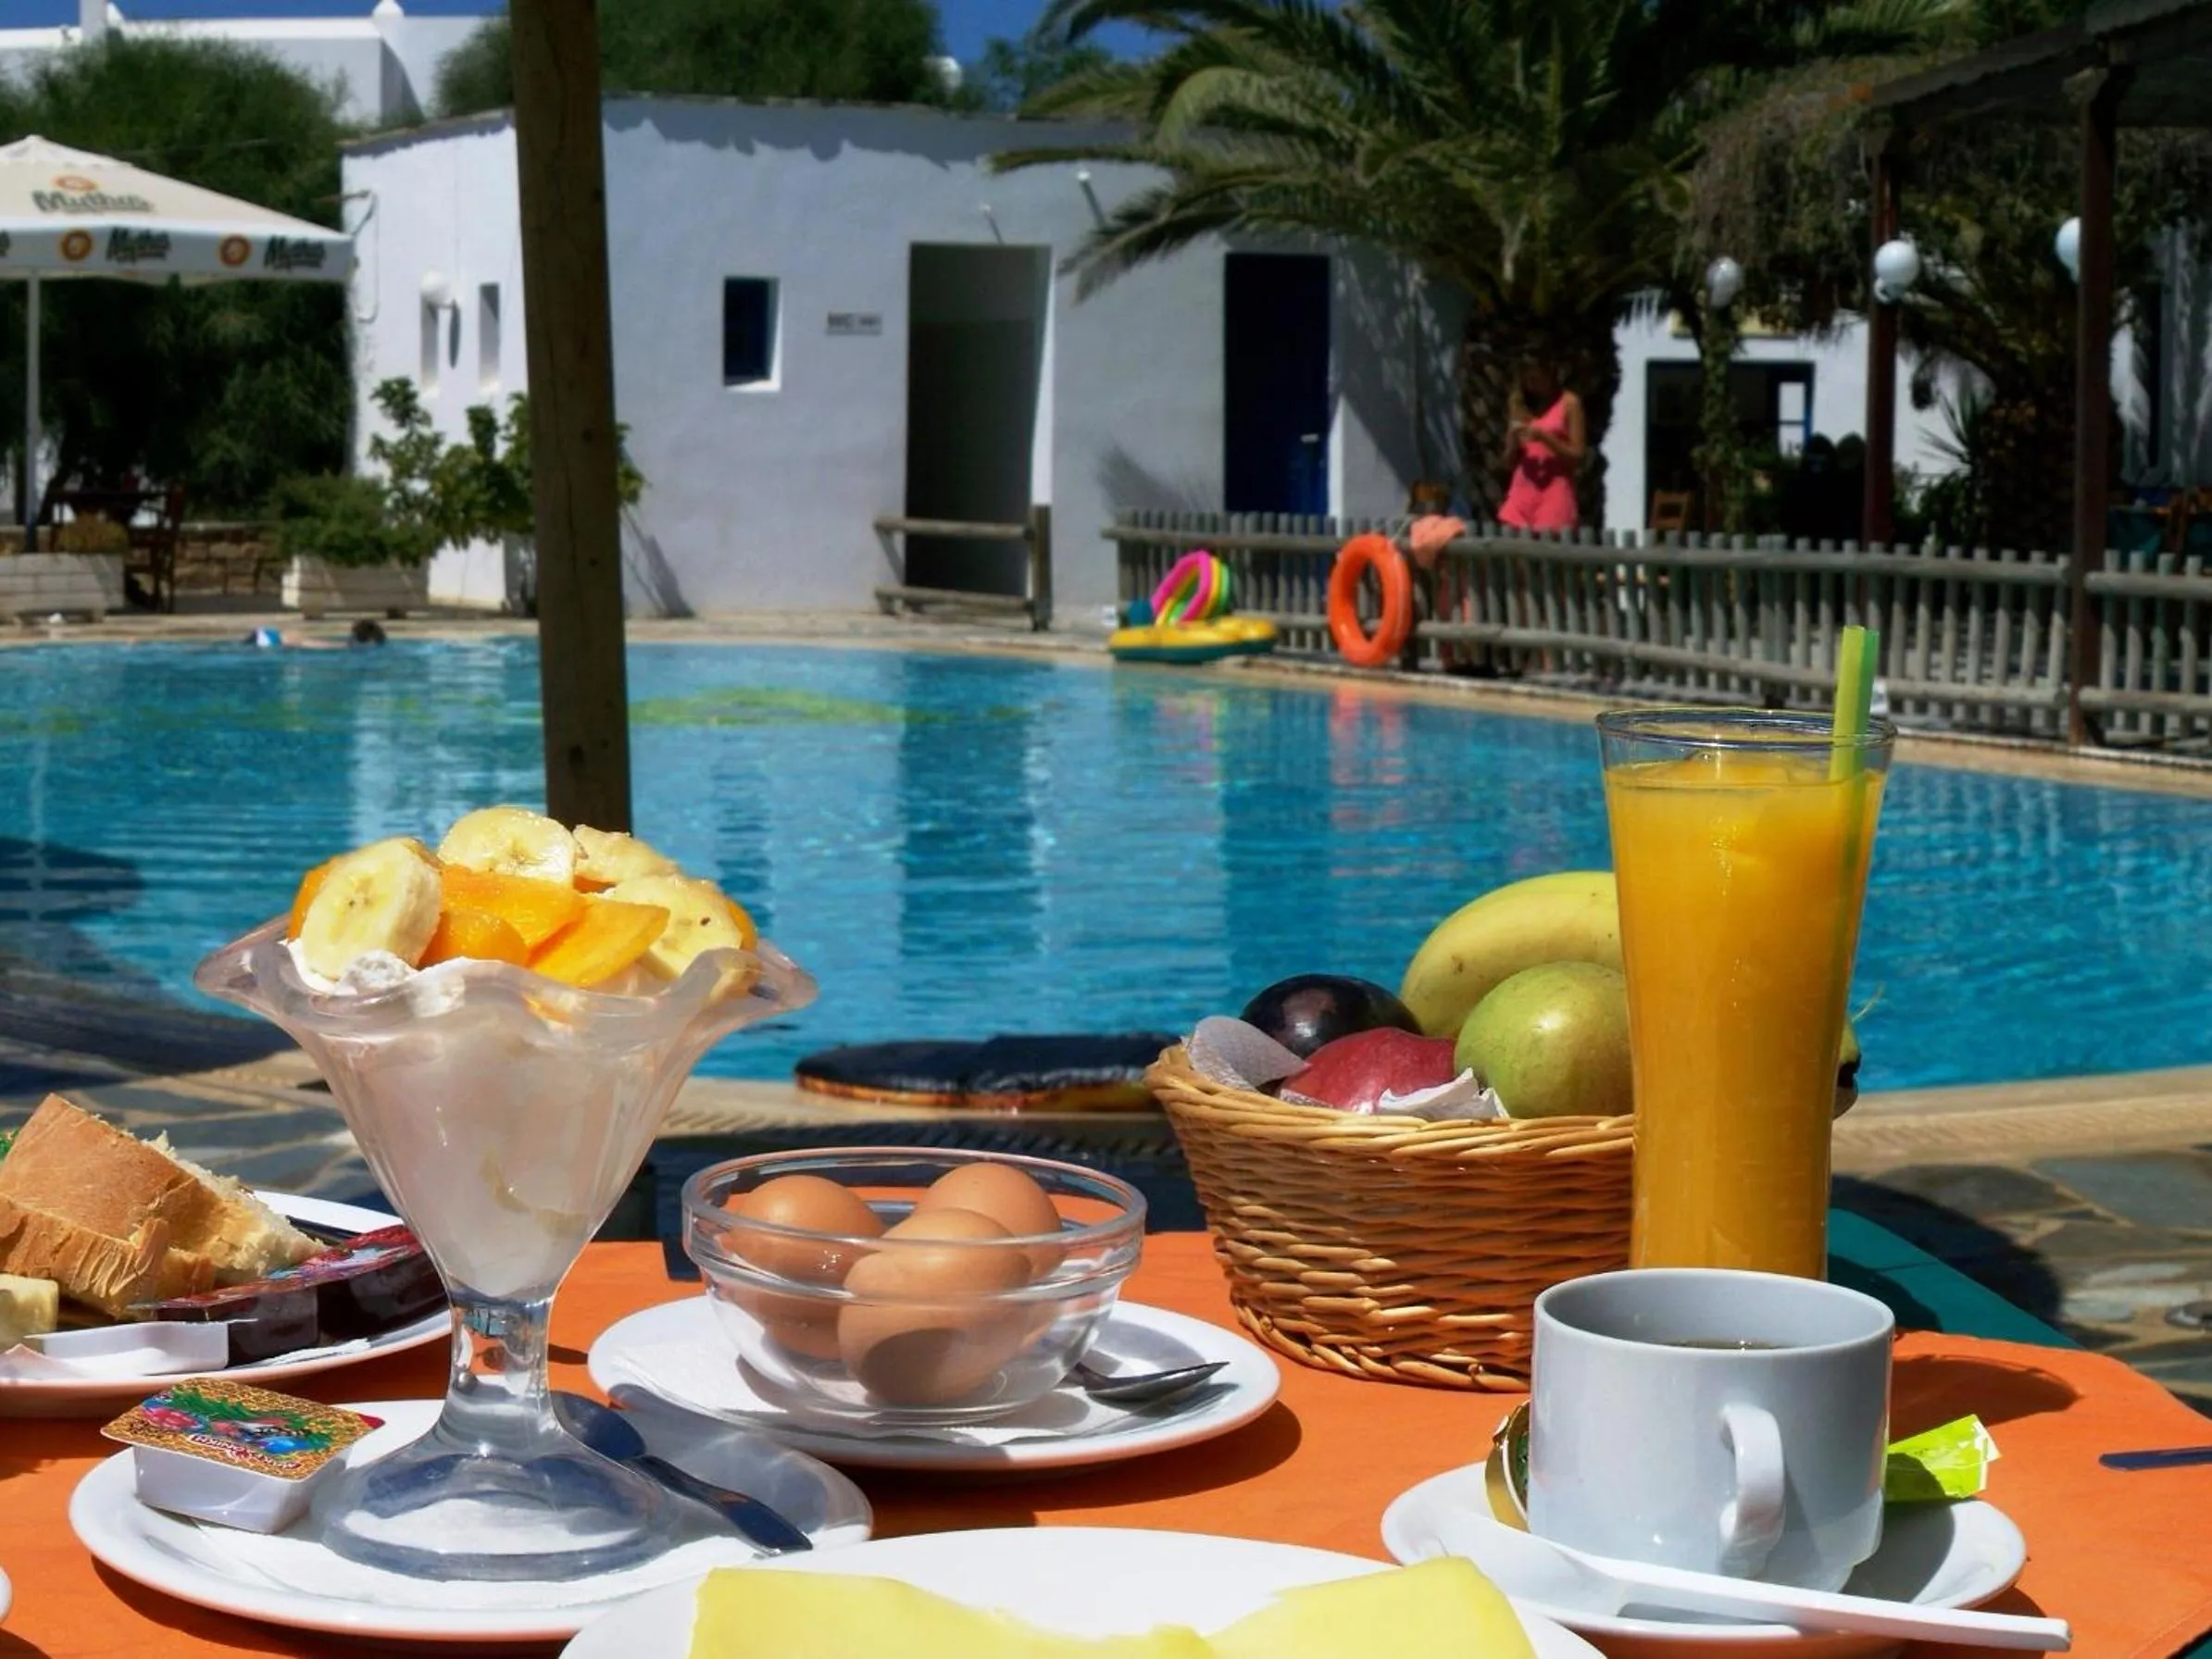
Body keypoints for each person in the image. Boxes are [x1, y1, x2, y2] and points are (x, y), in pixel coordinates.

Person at [1498, 362, 1586, 532]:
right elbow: (1508, 463)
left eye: (1536, 379)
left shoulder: (1569, 403)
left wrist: (1544, 437)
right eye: (1528, 380)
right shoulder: (1520, 404)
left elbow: (1578, 455)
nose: (1532, 386)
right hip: (1521, 494)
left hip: (1554, 496)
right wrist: (1512, 442)